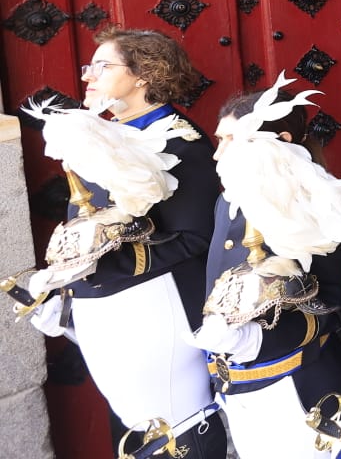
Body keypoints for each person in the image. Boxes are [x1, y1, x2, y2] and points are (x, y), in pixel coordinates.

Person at [26, 27, 226, 458]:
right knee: (135, 433)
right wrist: (64, 285)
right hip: (107, 310)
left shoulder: (180, 141)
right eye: (89, 67)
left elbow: (195, 237)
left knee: (174, 430)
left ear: (142, 75)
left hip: (156, 309)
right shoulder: (105, 134)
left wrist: (98, 270)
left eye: (102, 66)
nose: (88, 77)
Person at [195, 81, 341, 458]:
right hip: (240, 386)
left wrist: (258, 341)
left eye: (232, 140)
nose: (218, 154)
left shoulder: (322, 201)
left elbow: (329, 302)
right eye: (219, 140)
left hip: (300, 381)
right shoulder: (227, 199)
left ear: (283, 138)